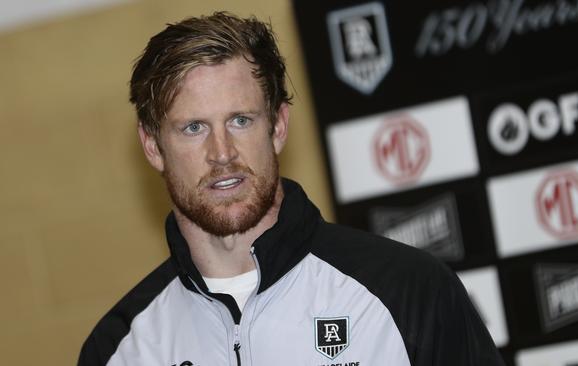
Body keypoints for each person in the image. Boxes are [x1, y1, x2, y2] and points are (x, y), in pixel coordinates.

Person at [78, 11, 504, 366]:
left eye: (241, 120)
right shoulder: (120, 348)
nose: (221, 152)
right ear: (153, 147)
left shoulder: (410, 291)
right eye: (193, 128)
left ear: (278, 126)